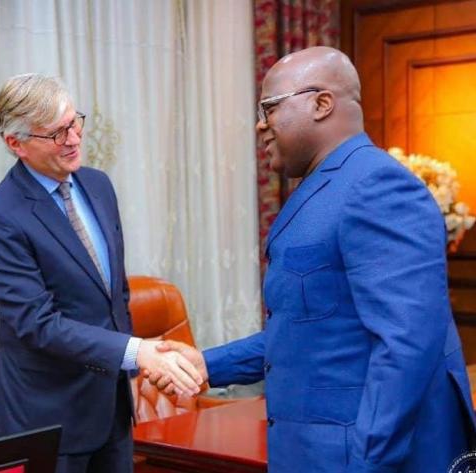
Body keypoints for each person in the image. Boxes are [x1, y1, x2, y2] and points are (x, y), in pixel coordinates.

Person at [149, 46, 476, 472]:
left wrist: (368, 466)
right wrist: (207, 363)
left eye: (269, 107)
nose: (260, 124)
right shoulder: (327, 184)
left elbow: (406, 347)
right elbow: (308, 329)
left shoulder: (377, 185)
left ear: (322, 104)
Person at [0, 73, 202, 473]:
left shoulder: (98, 185)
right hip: (46, 416)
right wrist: (137, 351)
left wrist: (141, 363)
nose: (74, 139)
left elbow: (114, 295)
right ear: (15, 143)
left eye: (74, 122)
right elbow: (37, 324)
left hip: (111, 408)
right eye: (56, 133)